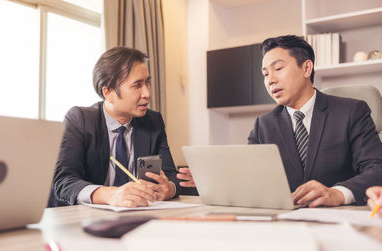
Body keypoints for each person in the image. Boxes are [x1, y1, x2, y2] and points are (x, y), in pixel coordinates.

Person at [181, 35, 382, 207]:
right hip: (286, 223)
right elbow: (252, 179)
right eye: (265, 74)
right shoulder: (263, 126)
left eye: (278, 68)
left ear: (306, 68)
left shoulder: (351, 111)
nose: (270, 80)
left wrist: (338, 194)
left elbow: (376, 169)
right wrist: (213, 180)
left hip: (341, 219)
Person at [49, 47, 181, 208]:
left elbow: (171, 175)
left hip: (139, 214)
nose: (147, 93)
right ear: (108, 92)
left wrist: (169, 188)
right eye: (137, 85)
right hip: (81, 218)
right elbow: (63, 182)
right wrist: (109, 194)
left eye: (147, 82)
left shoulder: (153, 121)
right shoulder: (80, 119)